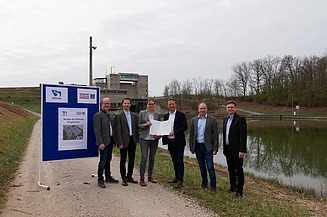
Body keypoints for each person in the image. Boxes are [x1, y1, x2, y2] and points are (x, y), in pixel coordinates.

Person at [189, 102, 218, 193]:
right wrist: (191, 147)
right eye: (201, 108)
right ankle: (204, 182)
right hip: (198, 146)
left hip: (208, 147)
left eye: (204, 108)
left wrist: (215, 148)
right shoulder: (194, 120)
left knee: (210, 166)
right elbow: (192, 135)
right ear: (198, 110)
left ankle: (213, 186)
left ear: (207, 109)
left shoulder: (212, 120)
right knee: (201, 166)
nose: (202, 110)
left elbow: (216, 135)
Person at [223, 100, 247, 198]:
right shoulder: (225, 119)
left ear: (235, 108)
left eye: (232, 107)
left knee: (239, 171)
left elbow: (243, 136)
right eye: (228, 107)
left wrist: (242, 150)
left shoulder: (240, 119)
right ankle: (232, 187)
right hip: (228, 149)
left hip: (237, 150)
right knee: (231, 169)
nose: (230, 109)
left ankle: (239, 191)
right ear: (226, 109)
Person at [93, 97, 119, 188]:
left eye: (108, 103)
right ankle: (100, 179)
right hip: (103, 142)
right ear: (101, 105)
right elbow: (97, 130)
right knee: (103, 161)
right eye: (105, 104)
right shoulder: (98, 115)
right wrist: (100, 143)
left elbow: (113, 128)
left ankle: (108, 177)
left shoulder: (110, 115)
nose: (107, 105)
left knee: (108, 160)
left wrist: (114, 141)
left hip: (110, 141)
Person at [162, 97, 188, 188]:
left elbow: (185, 127)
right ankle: (176, 177)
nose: (171, 106)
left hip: (179, 141)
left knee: (179, 160)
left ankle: (180, 180)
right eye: (169, 104)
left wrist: (175, 132)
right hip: (170, 141)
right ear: (168, 105)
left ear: (175, 105)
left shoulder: (181, 115)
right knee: (174, 160)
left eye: (172, 104)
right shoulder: (166, 116)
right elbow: (164, 128)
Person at [115, 97, 139, 186]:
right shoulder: (118, 116)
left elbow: (136, 129)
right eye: (125, 103)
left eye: (128, 103)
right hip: (124, 141)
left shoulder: (134, 116)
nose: (127, 105)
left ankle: (129, 176)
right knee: (123, 160)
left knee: (132, 159)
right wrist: (120, 142)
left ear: (130, 104)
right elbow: (118, 130)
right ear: (122, 104)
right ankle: (124, 178)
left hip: (132, 140)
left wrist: (137, 139)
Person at [138, 98, 161, 187]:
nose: (151, 106)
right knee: (144, 158)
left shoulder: (158, 115)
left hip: (154, 139)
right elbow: (138, 125)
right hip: (144, 138)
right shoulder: (142, 113)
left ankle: (150, 176)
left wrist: (159, 135)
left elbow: (159, 127)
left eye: (152, 104)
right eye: (149, 104)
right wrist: (145, 125)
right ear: (147, 105)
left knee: (152, 158)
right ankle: (142, 178)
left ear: (154, 105)